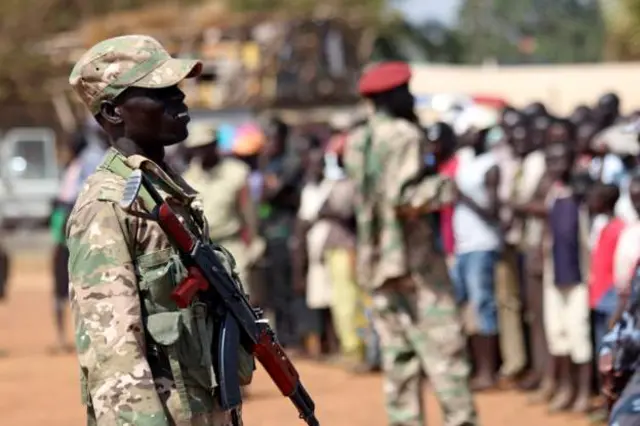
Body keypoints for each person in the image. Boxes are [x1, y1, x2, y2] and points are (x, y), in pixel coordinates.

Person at [67, 35, 253, 425]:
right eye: (161, 92)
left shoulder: (165, 190)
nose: (179, 99)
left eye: (177, 89)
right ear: (114, 112)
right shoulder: (108, 204)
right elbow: (113, 350)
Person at [344, 61, 477, 426]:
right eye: (405, 91)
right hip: (416, 265)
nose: (410, 97)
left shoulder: (357, 140)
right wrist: (444, 185)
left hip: (377, 264)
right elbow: (404, 197)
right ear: (390, 96)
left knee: (398, 361)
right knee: (446, 356)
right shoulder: (404, 135)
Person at [541, 142, 592, 413]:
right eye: (550, 160)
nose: (555, 165)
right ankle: (565, 388)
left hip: (578, 276)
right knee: (557, 334)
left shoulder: (580, 192)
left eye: (560, 160)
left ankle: (583, 393)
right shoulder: (552, 192)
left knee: (579, 336)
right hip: (554, 274)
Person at [452, 118, 502, 391]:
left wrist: (463, 197)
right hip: (462, 245)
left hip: (482, 244)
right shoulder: (465, 161)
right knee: (461, 307)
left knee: (483, 306)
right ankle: (469, 368)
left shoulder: (491, 165)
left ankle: (488, 372)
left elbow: (493, 212)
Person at [587, 183, 625, 421]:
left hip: (609, 300)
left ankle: (614, 406)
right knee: (603, 354)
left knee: (611, 358)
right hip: (598, 298)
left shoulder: (619, 228)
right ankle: (607, 403)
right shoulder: (602, 226)